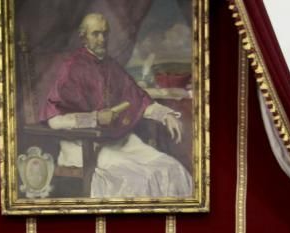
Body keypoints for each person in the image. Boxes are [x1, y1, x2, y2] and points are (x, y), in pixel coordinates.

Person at [40, 12, 193, 198]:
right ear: (83, 36)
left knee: (173, 168)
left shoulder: (111, 66)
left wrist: (165, 115)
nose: (102, 39)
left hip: (118, 141)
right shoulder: (71, 68)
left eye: (105, 33)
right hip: (84, 147)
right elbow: (55, 121)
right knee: (140, 178)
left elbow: (139, 100)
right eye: (95, 34)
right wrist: (95, 118)